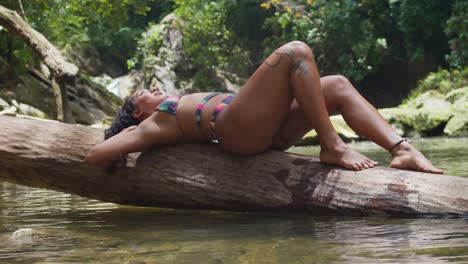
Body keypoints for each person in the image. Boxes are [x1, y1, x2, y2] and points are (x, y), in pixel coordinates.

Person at [85, 41, 443, 174]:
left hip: (258, 126)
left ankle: (402, 149)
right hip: (235, 132)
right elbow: (94, 156)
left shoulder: (167, 109)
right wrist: (128, 138)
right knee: (295, 51)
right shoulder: (151, 125)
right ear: (137, 112)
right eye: (141, 93)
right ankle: (332, 146)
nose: (150, 89)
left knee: (335, 85)